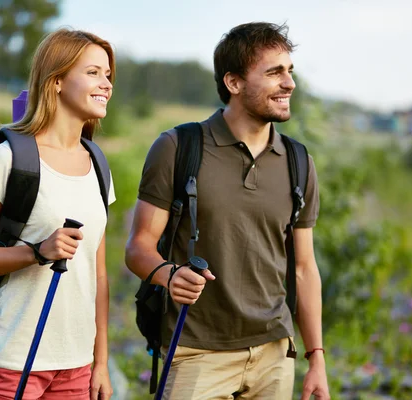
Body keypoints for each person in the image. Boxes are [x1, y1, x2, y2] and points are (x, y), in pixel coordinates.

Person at [126, 22, 330, 399]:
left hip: (273, 354)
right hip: (194, 352)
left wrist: (315, 358)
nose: (289, 84)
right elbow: (138, 248)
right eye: (274, 72)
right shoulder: (178, 147)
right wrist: (167, 274)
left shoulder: (299, 162)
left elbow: (304, 269)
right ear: (233, 83)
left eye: (290, 71)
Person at [0, 28, 115, 400]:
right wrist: (36, 251)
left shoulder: (98, 165)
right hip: (11, 361)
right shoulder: (8, 158)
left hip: (75, 367)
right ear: (56, 81)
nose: (105, 83)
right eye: (93, 73)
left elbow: (100, 274)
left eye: (108, 74)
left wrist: (101, 362)